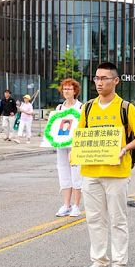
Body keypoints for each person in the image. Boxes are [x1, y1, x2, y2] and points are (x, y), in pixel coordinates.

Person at [77, 62, 135, 267]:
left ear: (116, 81)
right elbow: (80, 135)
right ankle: (100, 262)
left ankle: (119, 264)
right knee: (94, 219)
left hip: (117, 173)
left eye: (105, 78)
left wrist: (125, 148)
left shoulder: (125, 107)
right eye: (97, 78)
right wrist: (77, 154)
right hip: (90, 171)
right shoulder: (88, 107)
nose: (99, 82)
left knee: (118, 220)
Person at [54, 78, 83, 218]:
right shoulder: (59, 108)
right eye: (64, 89)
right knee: (63, 172)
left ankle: (76, 205)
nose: (66, 91)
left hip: (76, 146)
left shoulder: (81, 107)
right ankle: (66, 204)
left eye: (69, 89)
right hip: (61, 145)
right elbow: (53, 126)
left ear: (75, 91)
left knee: (76, 174)